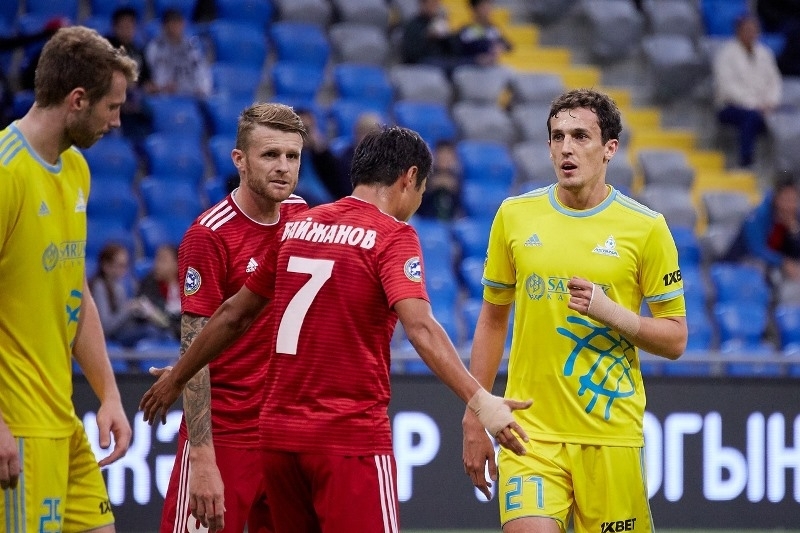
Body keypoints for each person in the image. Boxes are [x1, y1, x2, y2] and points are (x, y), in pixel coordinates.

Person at [140, 126, 532, 533]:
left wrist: (179, 376)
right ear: (410, 178)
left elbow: (232, 314)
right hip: (347, 438)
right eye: (421, 191)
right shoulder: (392, 235)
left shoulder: (298, 226)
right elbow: (421, 328)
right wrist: (480, 400)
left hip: (278, 441)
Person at [461, 89, 688, 533]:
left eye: (581, 136)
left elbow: (676, 339)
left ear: (609, 149)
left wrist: (612, 313)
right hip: (530, 434)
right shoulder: (514, 216)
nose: (566, 147)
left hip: (610, 436)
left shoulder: (646, 229)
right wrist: (475, 412)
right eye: (557, 136)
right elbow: (492, 320)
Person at [0, 26, 137, 532]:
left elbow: (74, 293)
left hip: (64, 417)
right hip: (18, 426)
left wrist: (109, 395)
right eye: (111, 107)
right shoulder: (6, 173)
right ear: (77, 100)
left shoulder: (76, 169)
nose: (116, 121)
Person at [158, 102, 309, 533]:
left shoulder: (302, 216)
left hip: (284, 437)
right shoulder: (209, 235)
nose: (283, 167)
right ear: (239, 160)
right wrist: (203, 458)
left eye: (292, 156)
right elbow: (195, 347)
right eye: (270, 155)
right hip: (225, 436)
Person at [712, 14, 783, 168]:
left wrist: (771, 102)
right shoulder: (726, 55)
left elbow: (774, 81)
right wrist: (755, 104)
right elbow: (727, 87)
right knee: (750, 117)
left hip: (765, 106)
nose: (751, 34)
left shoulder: (765, 53)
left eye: (754, 30)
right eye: (747, 30)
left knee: (789, 115)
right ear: (738, 31)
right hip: (732, 106)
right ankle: (746, 161)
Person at [726, 176, 800, 302]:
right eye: (786, 199)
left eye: (794, 200)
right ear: (776, 198)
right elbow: (756, 249)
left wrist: (794, 232)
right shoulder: (758, 215)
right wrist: (783, 262)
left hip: (775, 263)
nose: (790, 205)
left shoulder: (795, 217)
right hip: (745, 261)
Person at [91, 243, 173, 347]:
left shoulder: (118, 285)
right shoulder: (99, 287)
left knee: (164, 330)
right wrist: (129, 308)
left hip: (126, 328)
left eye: (126, 265)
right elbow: (106, 327)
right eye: (120, 266)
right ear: (106, 266)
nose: (124, 271)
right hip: (115, 335)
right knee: (151, 331)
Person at [105, 6, 155, 140]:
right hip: (110, 97)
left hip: (134, 99)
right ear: (115, 27)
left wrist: (146, 86)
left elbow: (146, 79)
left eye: (130, 26)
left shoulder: (137, 51)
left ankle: (140, 143)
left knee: (149, 111)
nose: (127, 30)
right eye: (123, 26)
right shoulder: (105, 49)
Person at [144, 8, 212, 98]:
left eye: (176, 23)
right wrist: (161, 87)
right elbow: (150, 78)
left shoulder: (192, 46)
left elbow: (202, 71)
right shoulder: (154, 47)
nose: (173, 28)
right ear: (163, 26)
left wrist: (203, 89)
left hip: (191, 96)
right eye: (170, 23)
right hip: (164, 97)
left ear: (183, 24)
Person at [331, 111, 383, 199]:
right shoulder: (344, 160)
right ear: (356, 133)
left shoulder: (386, 159)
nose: (368, 137)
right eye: (364, 132)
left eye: (374, 133)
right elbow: (344, 192)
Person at [401, 0, 462, 73]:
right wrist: (428, 36)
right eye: (432, 4)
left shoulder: (441, 23)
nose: (435, 7)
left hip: (444, 60)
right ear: (423, 5)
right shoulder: (413, 25)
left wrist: (447, 34)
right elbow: (411, 54)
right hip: (423, 63)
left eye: (436, 3)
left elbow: (455, 51)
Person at [137, 243, 182, 340]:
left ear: (177, 263)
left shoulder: (189, 284)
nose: (157, 265)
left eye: (162, 260)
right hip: (160, 331)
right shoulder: (149, 283)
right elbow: (150, 310)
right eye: (156, 259)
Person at [416, 140, 463, 220]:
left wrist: (454, 189)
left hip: (451, 221)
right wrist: (430, 187)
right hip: (425, 219)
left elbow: (461, 205)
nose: (444, 158)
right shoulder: (424, 175)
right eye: (441, 155)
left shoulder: (458, 177)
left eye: (448, 155)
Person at [456, 0, 512, 67]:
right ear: (475, 9)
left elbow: (508, 45)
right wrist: (475, 60)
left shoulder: (493, 29)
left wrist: (500, 46)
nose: (488, 10)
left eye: (489, 6)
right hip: (470, 67)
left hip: (491, 66)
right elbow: (457, 55)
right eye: (484, 7)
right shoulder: (466, 31)